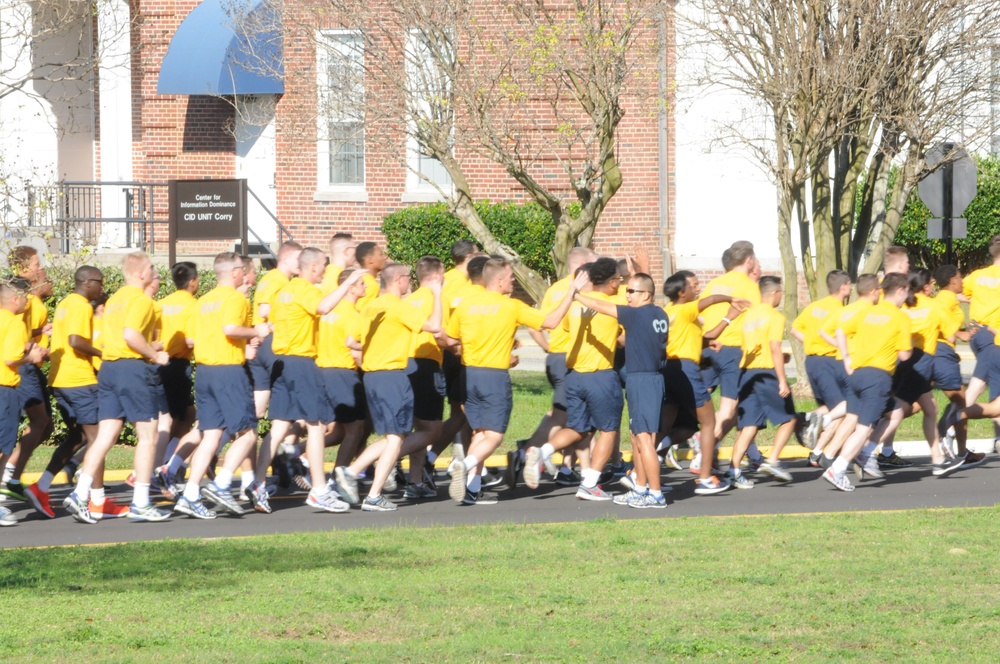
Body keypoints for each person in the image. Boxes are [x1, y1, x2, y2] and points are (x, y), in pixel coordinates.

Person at [447, 257, 585, 505]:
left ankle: (471, 489)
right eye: (511, 276)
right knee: (494, 436)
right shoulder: (511, 307)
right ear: (499, 280)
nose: (513, 280)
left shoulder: (466, 304)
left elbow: (448, 339)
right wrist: (572, 292)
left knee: (479, 432)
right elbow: (551, 322)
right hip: (494, 377)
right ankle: (462, 465)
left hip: (469, 375)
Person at [249, 247, 361, 514]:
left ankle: (257, 482)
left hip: (282, 363)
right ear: (313, 268)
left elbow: (274, 324)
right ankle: (320, 491)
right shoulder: (308, 290)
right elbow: (323, 307)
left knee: (278, 428)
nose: (324, 271)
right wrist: (348, 281)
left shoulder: (284, 291)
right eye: (323, 266)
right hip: (301, 362)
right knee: (315, 425)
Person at [63, 252, 171, 523]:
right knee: (148, 436)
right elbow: (131, 335)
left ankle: (80, 493)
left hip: (109, 369)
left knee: (104, 435)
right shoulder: (142, 301)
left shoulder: (114, 301)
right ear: (141, 274)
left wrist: (148, 346)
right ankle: (141, 503)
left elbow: (122, 335)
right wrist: (155, 354)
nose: (154, 273)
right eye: (151, 269)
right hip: (132, 369)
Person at [335, 260, 442, 511]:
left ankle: (353, 474)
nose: (410, 282)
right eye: (407, 277)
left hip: (372, 377)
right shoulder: (396, 306)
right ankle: (369, 492)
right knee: (395, 439)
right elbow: (435, 326)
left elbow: (352, 341)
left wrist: (380, 347)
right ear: (398, 280)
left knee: (393, 436)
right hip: (391, 376)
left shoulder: (371, 307)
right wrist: (436, 295)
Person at [172, 252, 271, 519]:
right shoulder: (236, 298)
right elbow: (230, 328)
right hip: (228, 370)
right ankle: (221, 483)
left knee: (211, 434)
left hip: (204, 372)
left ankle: (191, 495)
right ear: (235, 272)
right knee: (248, 434)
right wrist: (256, 332)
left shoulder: (202, 301)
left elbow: (191, 339)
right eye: (241, 270)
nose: (243, 274)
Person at [523, 258, 622, 501]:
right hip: (600, 375)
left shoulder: (575, 306)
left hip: (574, 376)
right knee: (609, 430)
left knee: (578, 428)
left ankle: (542, 450)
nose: (621, 283)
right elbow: (624, 335)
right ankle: (590, 484)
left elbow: (566, 328)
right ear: (610, 282)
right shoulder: (616, 303)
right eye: (619, 278)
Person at [572, 271, 670, 507]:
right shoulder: (660, 313)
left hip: (643, 381)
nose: (627, 296)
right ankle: (639, 488)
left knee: (645, 439)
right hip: (651, 379)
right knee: (637, 438)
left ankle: (656, 494)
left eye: (632, 291)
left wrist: (576, 294)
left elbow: (600, 305)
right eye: (626, 291)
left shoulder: (635, 315)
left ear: (646, 294)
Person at [26, 267, 112, 519]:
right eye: (99, 282)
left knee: (79, 437)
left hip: (61, 379)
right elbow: (76, 341)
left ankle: (41, 487)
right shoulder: (81, 305)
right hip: (78, 380)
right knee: (99, 440)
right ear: (86, 282)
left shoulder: (65, 303)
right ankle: (95, 500)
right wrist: (101, 353)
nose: (102, 288)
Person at [513, 246, 595, 486]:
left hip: (559, 358)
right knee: (562, 415)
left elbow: (534, 326)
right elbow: (534, 325)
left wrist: (547, 348)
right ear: (581, 266)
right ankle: (525, 452)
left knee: (574, 415)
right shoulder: (578, 291)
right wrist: (552, 348)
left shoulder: (554, 290)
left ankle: (570, 469)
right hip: (567, 359)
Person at [824, 273, 913, 492]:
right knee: (863, 428)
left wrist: (846, 357)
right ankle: (838, 467)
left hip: (857, 374)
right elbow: (904, 355)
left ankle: (866, 452)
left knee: (896, 411)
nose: (907, 297)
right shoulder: (900, 317)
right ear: (900, 291)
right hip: (877, 377)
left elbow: (841, 330)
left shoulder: (868, 312)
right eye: (907, 292)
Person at [659, 271, 746, 494]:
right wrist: (729, 298)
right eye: (694, 286)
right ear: (681, 292)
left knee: (668, 426)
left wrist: (728, 318)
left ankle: (640, 472)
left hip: (669, 369)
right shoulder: (685, 308)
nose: (698, 289)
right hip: (686, 371)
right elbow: (708, 301)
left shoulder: (667, 312)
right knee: (708, 423)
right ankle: (706, 478)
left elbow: (696, 338)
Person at [726, 276, 797, 488]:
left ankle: (734, 470)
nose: (781, 297)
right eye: (781, 293)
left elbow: (750, 345)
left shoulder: (748, 316)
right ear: (774, 293)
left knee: (749, 425)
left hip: (747, 374)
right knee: (789, 419)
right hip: (767, 374)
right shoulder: (775, 317)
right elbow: (774, 348)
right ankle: (773, 460)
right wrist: (783, 381)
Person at [1, 246, 53, 502]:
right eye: (35, 264)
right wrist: (32, 349)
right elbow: (16, 336)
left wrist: (43, 330)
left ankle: (12, 475)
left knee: (45, 425)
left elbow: (27, 331)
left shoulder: (32, 297)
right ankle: (10, 474)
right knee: (38, 422)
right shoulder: (23, 299)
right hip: (23, 368)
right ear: (23, 268)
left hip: (32, 366)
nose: (40, 267)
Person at [698, 241, 761, 446]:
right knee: (729, 406)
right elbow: (756, 323)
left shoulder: (714, 284)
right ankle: (705, 446)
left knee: (700, 398)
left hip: (708, 346)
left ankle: (687, 434)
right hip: (732, 349)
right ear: (749, 260)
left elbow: (700, 313)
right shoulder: (749, 287)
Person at [790, 270, 852, 455]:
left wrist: (810, 342)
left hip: (812, 361)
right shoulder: (840, 311)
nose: (851, 287)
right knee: (849, 403)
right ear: (842, 287)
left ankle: (818, 448)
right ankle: (808, 419)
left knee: (834, 406)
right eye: (849, 284)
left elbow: (794, 329)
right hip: (830, 361)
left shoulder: (814, 307)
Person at [353, 241, 387, 312]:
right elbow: (360, 312)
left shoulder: (359, 278)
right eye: (380, 254)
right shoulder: (370, 285)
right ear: (370, 260)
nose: (385, 257)